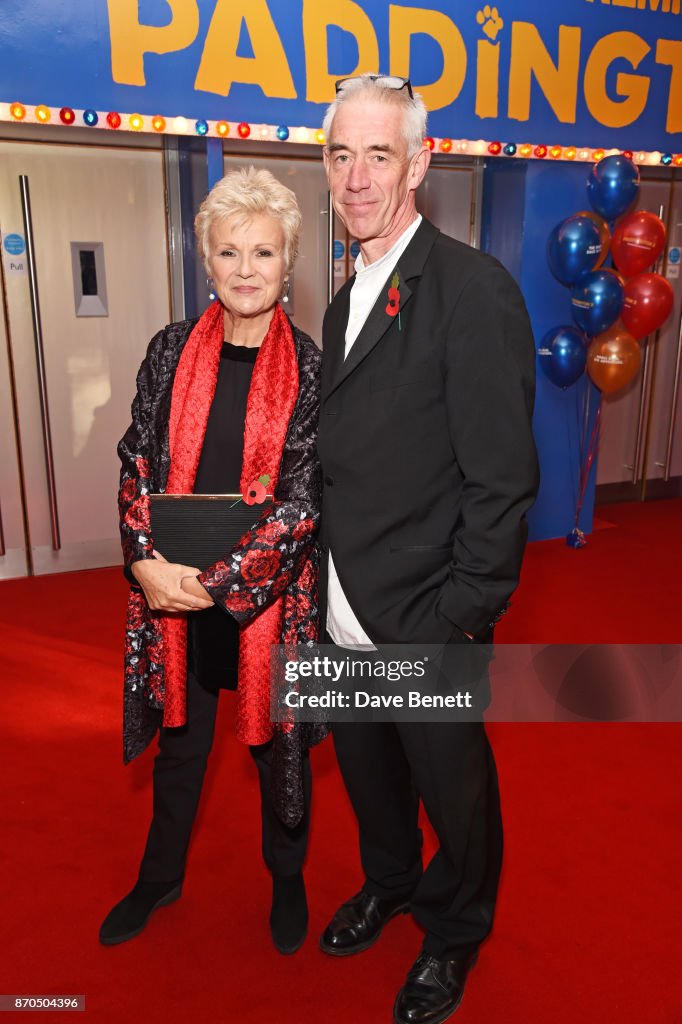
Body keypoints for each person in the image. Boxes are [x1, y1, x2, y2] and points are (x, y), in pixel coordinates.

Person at [316, 75, 539, 1023]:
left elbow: (502, 482)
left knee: (455, 791)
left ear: (420, 163)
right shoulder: (343, 297)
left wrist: (459, 618)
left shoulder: (473, 291)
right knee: (369, 779)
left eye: (378, 154)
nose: (357, 177)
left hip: (425, 617)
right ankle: (393, 882)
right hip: (337, 610)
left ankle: (454, 934)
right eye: (340, 154)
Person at [100, 167, 324, 956]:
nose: (246, 269)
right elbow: (136, 462)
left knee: (272, 749)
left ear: (288, 259)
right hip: (170, 594)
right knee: (181, 745)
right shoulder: (170, 351)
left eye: (263, 252)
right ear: (207, 258)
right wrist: (142, 564)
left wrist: (216, 583)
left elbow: (302, 505)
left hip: (265, 603)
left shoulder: (313, 368)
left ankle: (288, 879)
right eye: (229, 252)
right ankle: (160, 878)